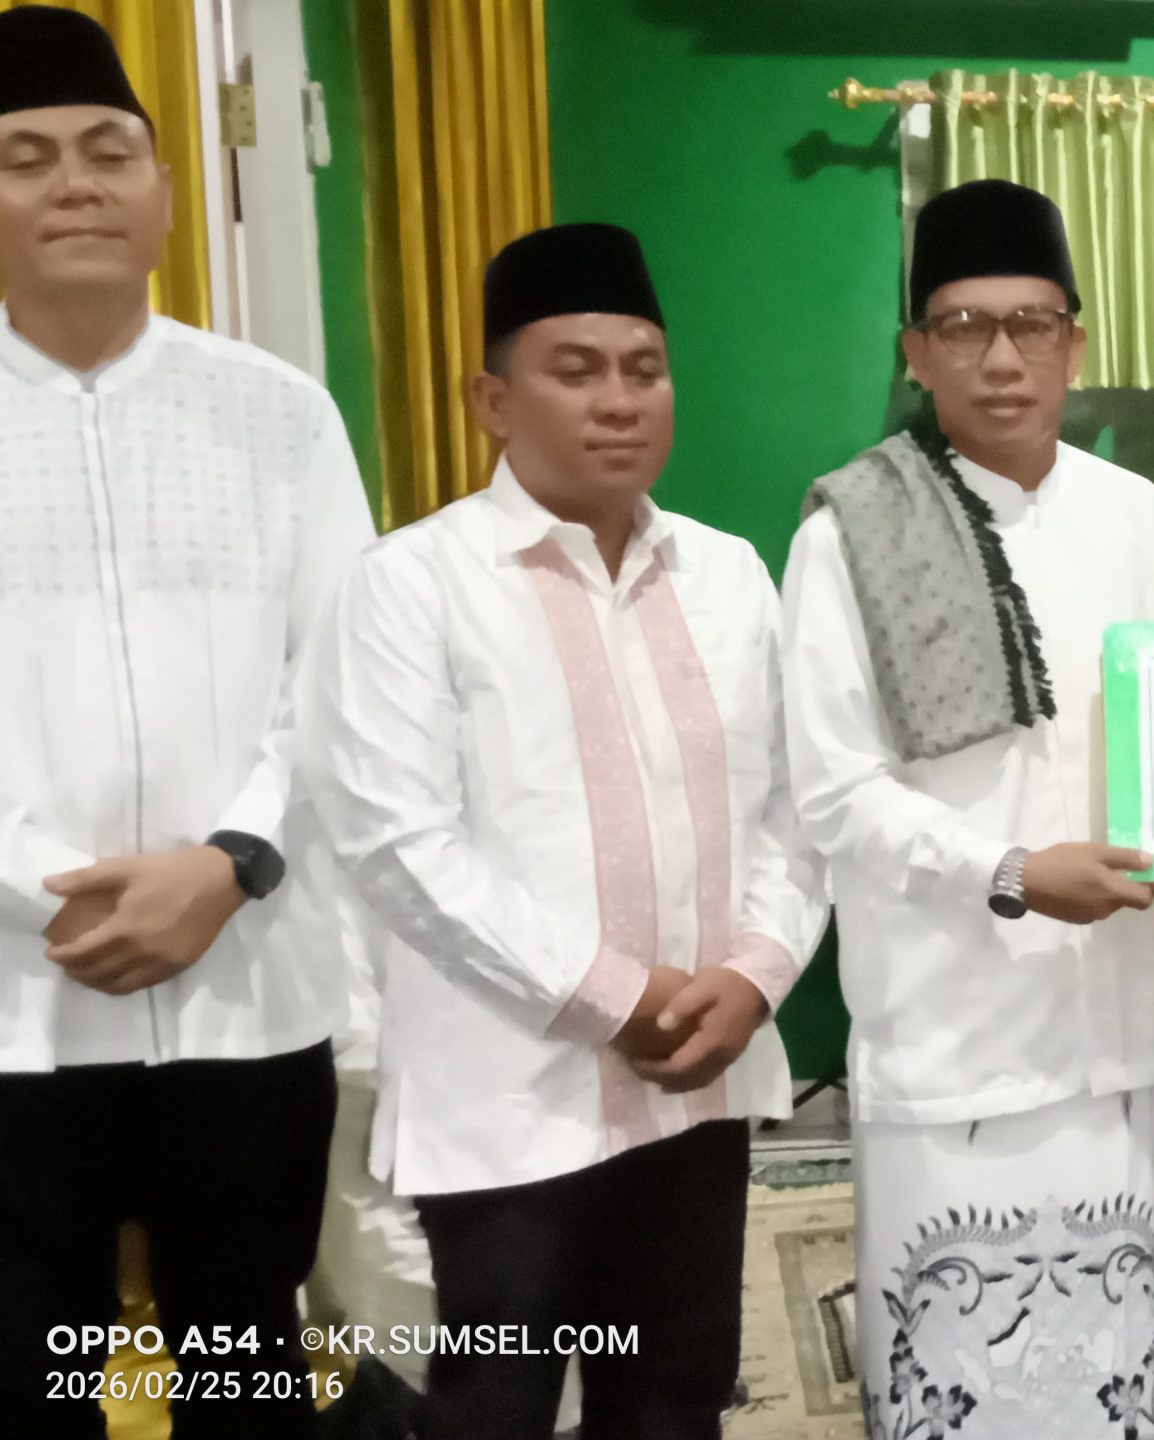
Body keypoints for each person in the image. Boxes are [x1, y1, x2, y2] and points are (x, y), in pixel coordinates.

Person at [303, 223, 826, 1440]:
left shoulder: (729, 574)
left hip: (697, 1086)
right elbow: (399, 845)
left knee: (673, 1397)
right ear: (492, 399)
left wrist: (756, 974)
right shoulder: (412, 582)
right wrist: (615, 996)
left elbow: (797, 807)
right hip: (507, 1099)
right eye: (575, 370)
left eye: (644, 369)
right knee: (496, 1405)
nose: (619, 400)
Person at [0, 10, 376, 1436]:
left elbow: (340, 675)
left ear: (163, 193)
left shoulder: (278, 415)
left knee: (245, 1371)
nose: (75, 184)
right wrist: (52, 890)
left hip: (246, 987)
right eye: (26, 158)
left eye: (110, 152)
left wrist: (230, 862)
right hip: (15, 1007)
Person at [781, 178, 1154, 1440]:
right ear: (915, 353)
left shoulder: (1134, 517)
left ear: (1076, 340)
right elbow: (833, 791)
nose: (1002, 357)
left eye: (1032, 323)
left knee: (1115, 1387)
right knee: (965, 1389)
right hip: (949, 1026)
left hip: (1113, 1019)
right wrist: (1013, 872)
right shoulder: (849, 533)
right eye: (963, 327)